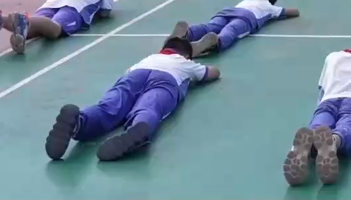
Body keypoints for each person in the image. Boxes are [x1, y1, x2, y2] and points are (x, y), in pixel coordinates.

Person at [45, 37, 220, 162]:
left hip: (134, 75)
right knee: (149, 107)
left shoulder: (148, 58)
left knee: (108, 108)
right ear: (186, 55)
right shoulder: (183, 62)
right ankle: (139, 128)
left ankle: (79, 122)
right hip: (166, 80)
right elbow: (212, 73)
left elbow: (127, 74)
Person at [283, 49, 351, 187]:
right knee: (349, 126)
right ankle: (334, 140)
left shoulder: (331, 57)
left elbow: (322, 89)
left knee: (319, 124)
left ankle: (307, 144)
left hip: (328, 100)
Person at [170, 0, 298, 57]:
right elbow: (291, 12)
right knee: (231, 30)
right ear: (270, 0)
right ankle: (216, 41)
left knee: (209, 26)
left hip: (228, 11)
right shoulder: (270, 7)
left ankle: (188, 33)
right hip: (248, 17)